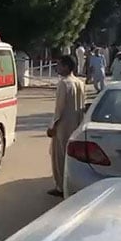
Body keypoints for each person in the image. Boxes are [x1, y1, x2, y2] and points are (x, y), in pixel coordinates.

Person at [47, 55, 85, 198]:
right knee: (72, 156)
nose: (58, 68)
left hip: (63, 126)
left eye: (60, 65)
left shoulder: (64, 83)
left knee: (59, 156)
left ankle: (61, 187)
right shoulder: (79, 83)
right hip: (76, 124)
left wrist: (52, 126)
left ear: (67, 67)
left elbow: (59, 108)